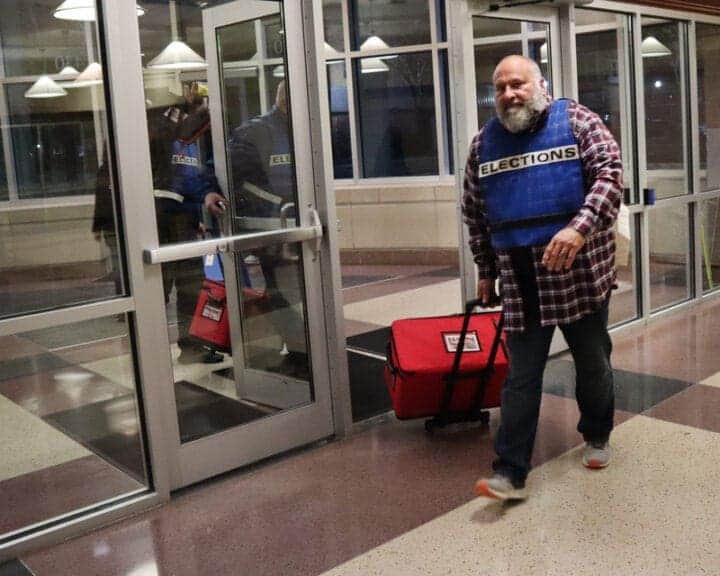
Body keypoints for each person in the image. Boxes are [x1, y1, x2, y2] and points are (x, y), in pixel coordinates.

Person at [462, 55, 623, 501]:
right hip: (520, 278)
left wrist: (579, 227)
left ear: (540, 86)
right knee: (521, 376)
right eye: (500, 88)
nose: (509, 94)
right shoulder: (482, 145)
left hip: (580, 273)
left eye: (518, 84)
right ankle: (510, 472)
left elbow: (610, 176)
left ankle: (596, 436)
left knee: (592, 363)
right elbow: (476, 214)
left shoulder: (577, 121)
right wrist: (485, 270)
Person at [227, 81, 309, 378]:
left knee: (304, 287)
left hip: (302, 226)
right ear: (287, 101)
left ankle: (302, 343)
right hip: (274, 228)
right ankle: (300, 345)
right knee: (280, 290)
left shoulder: (301, 130)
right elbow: (240, 184)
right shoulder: (255, 132)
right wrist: (280, 208)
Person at [149, 82, 226, 364]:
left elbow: (197, 173)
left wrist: (204, 197)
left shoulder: (195, 141)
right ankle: (152, 355)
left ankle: (190, 347)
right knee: (159, 288)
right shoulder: (161, 130)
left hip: (185, 220)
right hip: (160, 220)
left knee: (189, 287)